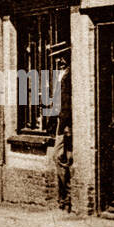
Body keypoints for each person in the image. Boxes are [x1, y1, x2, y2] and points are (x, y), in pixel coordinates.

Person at [50, 42, 73, 213]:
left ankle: (67, 197)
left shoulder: (70, 74)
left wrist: (67, 125)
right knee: (61, 159)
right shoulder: (60, 74)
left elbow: (68, 101)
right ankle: (64, 198)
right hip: (60, 122)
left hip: (67, 124)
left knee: (61, 158)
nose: (59, 60)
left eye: (61, 57)